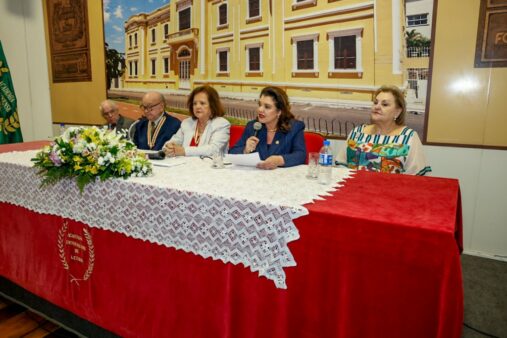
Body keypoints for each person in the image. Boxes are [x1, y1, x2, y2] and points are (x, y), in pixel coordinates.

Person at [335, 85, 431, 175]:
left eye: (384, 104)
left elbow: (417, 176)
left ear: (397, 112)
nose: (377, 107)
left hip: (390, 192)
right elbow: (340, 164)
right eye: (375, 102)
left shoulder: (408, 137)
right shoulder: (356, 133)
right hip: (353, 190)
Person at [229, 86, 306, 169]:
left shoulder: (294, 127)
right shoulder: (252, 126)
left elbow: (300, 155)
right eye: (260, 105)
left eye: (267, 107)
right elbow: (232, 152)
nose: (260, 109)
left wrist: (279, 160)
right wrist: (245, 150)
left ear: (279, 112)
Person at [163, 85, 230, 157]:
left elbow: (213, 150)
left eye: (202, 103)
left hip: (211, 166)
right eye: (194, 103)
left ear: (212, 105)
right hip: (186, 165)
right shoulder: (187, 123)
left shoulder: (221, 124)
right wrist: (169, 147)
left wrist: (184, 151)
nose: (197, 106)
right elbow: (174, 141)